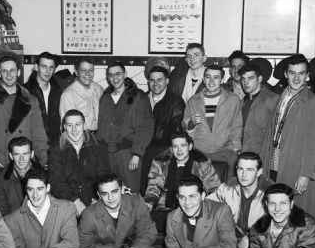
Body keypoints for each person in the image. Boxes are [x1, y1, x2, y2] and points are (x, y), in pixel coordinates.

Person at [259, 54, 315, 220]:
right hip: (275, 155)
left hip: (293, 161)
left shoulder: (312, 102)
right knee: (273, 201)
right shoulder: (282, 96)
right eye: (292, 73)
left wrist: (305, 174)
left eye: (301, 73)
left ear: (307, 75)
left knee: (291, 207)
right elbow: (270, 132)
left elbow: (314, 142)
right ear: (285, 74)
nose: (296, 78)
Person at [0, 55, 48, 170]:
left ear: (18, 72)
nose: (9, 75)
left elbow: (39, 135)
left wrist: (42, 162)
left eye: (12, 70)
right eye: (4, 71)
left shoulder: (31, 100)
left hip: (24, 163)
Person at [144, 132, 220, 233]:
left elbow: (214, 189)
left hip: (192, 209)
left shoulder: (202, 163)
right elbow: (153, 187)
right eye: (175, 146)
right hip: (165, 208)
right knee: (145, 224)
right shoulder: (160, 162)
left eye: (183, 145)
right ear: (171, 149)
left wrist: (204, 210)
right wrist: (148, 204)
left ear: (190, 146)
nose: (179, 150)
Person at [97, 62, 154, 192]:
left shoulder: (138, 96)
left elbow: (145, 127)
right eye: (111, 75)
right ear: (108, 78)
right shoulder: (105, 98)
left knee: (130, 190)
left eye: (118, 74)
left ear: (125, 75)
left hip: (128, 153)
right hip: (108, 153)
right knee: (111, 190)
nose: (115, 78)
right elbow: (101, 126)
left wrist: (137, 154)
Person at [207, 152, 272, 248]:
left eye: (249, 170)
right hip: (231, 243)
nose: (243, 175)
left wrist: (251, 237)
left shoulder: (271, 192)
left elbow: (280, 222)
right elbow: (206, 204)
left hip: (261, 247)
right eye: (240, 169)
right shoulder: (229, 187)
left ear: (259, 172)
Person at [48, 110, 110, 217]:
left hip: (92, 197)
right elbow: (56, 181)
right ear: (64, 127)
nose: (74, 130)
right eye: (69, 125)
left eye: (78, 124)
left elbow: (103, 175)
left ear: (84, 125)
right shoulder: (56, 150)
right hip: (67, 199)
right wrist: (75, 200)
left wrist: (97, 198)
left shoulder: (97, 146)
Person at [183, 64, 242, 170]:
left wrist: (236, 149)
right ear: (203, 79)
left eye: (216, 77)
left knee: (225, 185)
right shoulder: (193, 101)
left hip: (225, 153)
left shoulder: (233, 100)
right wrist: (191, 124)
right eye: (208, 77)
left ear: (222, 80)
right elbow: (184, 126)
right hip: (199, 153)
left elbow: (237, 126)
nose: (211, 81)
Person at [140, 65, 185, 194]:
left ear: (167, 81)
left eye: (159, 80)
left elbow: (177, 131)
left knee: (159, 192)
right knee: (143, 190)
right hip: (142, 151)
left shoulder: (176, 101)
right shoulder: (142, 99)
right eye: (152, 80)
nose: (155, 83)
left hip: (163, 152)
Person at [0, 137, 42, 216]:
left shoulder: (43, 176)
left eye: (25, 154)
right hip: (12, 224)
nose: (21, 159)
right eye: (17, 154)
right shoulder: (0, 179)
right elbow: (2, 212)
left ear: (32, 154)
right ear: (11, 156)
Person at [239, 63, 279, 155]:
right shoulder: (242, 102)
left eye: (250, 78)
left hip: (265, 156)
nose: (246, 83)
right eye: (243, 79)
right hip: (245, 155)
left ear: (259, 79)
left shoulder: (272, 99)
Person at [24, 51, 62, 147]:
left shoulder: (58, 91)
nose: (48, 71)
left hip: (54, 146)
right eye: (44, 66)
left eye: (51, 67)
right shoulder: (24, 92)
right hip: (32, 145)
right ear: (36, 67)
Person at [59, 57, 103, 133]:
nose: (88, 74)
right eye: (83, 71)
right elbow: (67, 128)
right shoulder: (68, 95)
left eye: (91, 70)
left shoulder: (98, 89)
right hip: (80, 139)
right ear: (76, 72)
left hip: (100, 137)